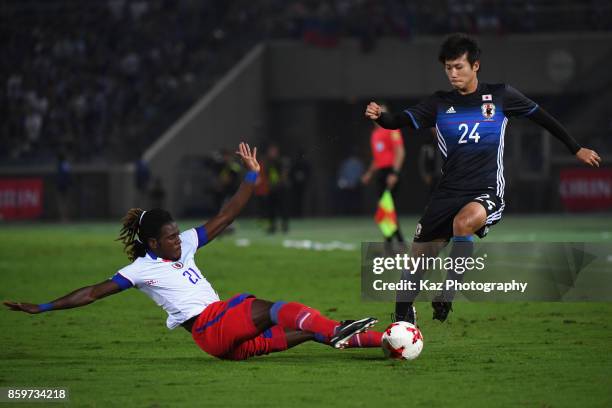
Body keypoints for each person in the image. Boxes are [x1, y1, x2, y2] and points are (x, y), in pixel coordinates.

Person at [4, 143, 381, 361]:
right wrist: (44, 307)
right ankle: (337, 328)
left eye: (175, 234)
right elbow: (92, 292)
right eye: (169, 238)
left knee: (304, 329)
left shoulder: (182, 243)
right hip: (210, 326)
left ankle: (386, 342)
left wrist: (251, 174)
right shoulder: (140, 269)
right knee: (278, 308)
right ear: (152, 243)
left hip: (228, 341)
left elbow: (228, 214)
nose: (177, 241)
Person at [364, 33, 601, 324]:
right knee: (416, 262)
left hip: (486, 190)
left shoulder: (501, 96)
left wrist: (575, 148)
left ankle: (448, 292)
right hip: (447, 192)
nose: (453, 73)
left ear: (475, 66)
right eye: (448, 68)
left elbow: (543, 118)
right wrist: (379, 116)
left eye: (459, 67)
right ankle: (402, 319)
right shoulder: (439, 103)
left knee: (463, 223)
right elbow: (396, 121)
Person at [361, 111, 406, 244]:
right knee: (385, 208)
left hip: (390, 172)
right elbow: (377, 158)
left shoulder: (392, 130)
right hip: (381, 173)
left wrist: (395, 173)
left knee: (388, 208)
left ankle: (395, 241)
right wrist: (369, 173)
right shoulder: (374, 134)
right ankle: (394, 240)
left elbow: (400, 152)